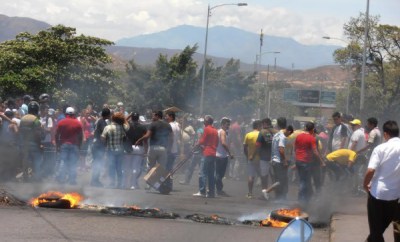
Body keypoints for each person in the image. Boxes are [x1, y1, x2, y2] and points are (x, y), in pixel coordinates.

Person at [363, 120, 400, 242]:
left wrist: (365, 184)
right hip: (395, 197)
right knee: (381, 229)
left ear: (385, 134)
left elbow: (370, 171)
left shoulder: (380, 148)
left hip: (377, 195)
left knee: (376, 230)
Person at [294, 121, 324, 205]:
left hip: (298, 161)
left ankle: (304, 199)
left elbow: (295, 148)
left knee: (302, 180)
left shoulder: (298, 136)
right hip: (305, 162)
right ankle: (302, 200)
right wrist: (321, 161)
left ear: (305, 128)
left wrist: (296, 159)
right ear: (313, 129)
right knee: (304, 181)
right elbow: (315, 151)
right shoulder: (312, 138)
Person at [55, 107, 84, 185]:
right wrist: (79, 146)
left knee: (63, 161)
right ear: (74, 114)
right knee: (73, 163)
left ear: (66, 114)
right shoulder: (78, 123)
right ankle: (72, 180)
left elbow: (56, 134)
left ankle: (61, 178)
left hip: (64, 145)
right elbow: (81, 136)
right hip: (74, 145)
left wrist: (57, 145)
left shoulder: (61, 122)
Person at [101, 112, 129, 189]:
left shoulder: (107, 127)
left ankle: (112, 183)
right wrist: (124, 119)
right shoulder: (123, 127)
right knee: (119, 168)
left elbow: (103, 138)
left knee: (111, 167)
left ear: (113, 119)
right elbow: (127, 126)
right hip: (120, 151)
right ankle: (120, 184)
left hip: (111, 150)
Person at [193, 115, 218, 198]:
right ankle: (211, 192)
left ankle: (202, 191)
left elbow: (202, 140)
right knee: (211, 174)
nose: (203, 122)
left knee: (202, 173)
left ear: (207, 121)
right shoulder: (215, 130)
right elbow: (217, 142)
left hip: (207, 153)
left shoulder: (207, 129)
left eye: (204, 121)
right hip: (213, 153)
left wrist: (197, 144)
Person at [19, 101, 43, 181]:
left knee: (25, 160)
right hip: (33, 144)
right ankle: (36, 177)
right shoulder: (36, 120)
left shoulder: (22, 118)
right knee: (37, 160)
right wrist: (40, 144)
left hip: (24, 143)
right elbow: (37, 134)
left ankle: (25, 177)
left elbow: (20, 131)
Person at [271, 117, 293, 201]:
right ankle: (281, 199)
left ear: (278, 124)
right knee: (282, 181)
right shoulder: (282, 136)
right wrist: (284, 161)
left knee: (278, 180)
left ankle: (278, 198)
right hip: (280, 162)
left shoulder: (276, 134)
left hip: (275, 161)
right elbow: (281, 149)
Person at [123, 112, 148, 189]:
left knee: (126, 167)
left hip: (128, 147)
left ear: (131, 118)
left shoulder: (127, 126)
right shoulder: (142, 127)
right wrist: (146, 150)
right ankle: (133, 185)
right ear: (138, 118)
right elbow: (145, 140)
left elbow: (123, 120)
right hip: (139, 148)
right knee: (135, 167)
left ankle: (124, 184)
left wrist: (129, 115)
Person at [256, 118, 276, 200]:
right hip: (275, 158)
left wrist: (258, 154)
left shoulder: (263, 132)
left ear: (264, 123)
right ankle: (278, 195)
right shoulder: (276, 131)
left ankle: (264, 194)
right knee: (275, 177)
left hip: (265, 158)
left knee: (264, 177)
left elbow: (258, 144)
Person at [90, 107, 110, 187]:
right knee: (98, 163)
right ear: (107, 115)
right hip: (98, 145)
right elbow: (104, 133)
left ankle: (95, 180)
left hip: (96, 144)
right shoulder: (102, 122)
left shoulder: (100, 120)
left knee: (97, 163)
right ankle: (95, 181)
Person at [243, 120, 262, 199]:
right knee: (263, 176)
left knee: (251, 176)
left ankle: (250, 193)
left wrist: (247, 156)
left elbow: (244, 147)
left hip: (251, 158)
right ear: (258, 126)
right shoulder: (261, 134)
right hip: (261, 159)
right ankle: (264, 193)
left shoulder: (248, 135)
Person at [215, 117, 233, 196]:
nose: (228, 126)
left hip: (218, 155)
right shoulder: (222, 132)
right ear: (222, 124)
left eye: (229, 125)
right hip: (221, 156)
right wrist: (230, 152)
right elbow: (223, 143)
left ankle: (216, 188)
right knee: (220, 174)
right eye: (226, 125)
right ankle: (219, 189)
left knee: (218, 173)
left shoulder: (218, 131)